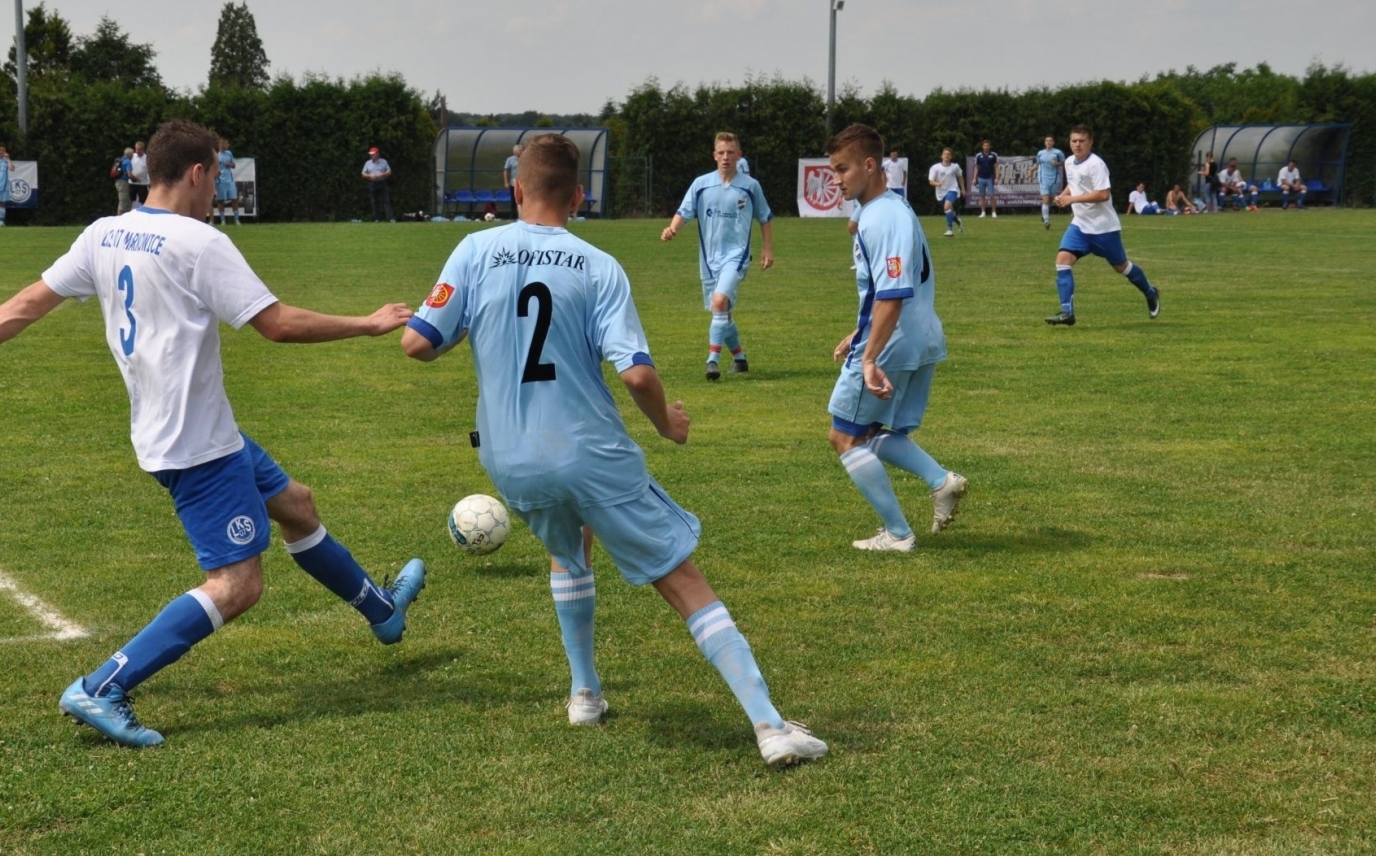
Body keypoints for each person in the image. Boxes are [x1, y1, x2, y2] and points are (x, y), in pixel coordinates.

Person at [0, 119, 424, 748]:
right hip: (195, 444)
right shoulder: (198, 242)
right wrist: (368, 324)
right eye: (218, 175)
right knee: (237, 585)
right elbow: (278, 325)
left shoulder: (105, 233)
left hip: (187, 430)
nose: (218, 191)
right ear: (199, 173)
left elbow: (26, 304)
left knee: (296, 504)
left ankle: (382, 610)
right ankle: (101, 686)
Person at [401, 132, 827, 768]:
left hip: (510, 459)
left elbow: (419, 343)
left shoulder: (472, 250)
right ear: (578, 195)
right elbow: (635, 373)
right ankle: (770, 727)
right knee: (681, 579)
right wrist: (667, 425)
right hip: (587, 450)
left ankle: (584, 693)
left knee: (568, 551)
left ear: (516, 189)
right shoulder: (598, 264)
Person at [824, 124, 967, 554]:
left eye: (842, 169)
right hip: (922, 335)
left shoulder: (882, 216)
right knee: (870, 431)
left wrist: (869, 357)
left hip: (895, 341)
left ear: (870, 165)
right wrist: (859, 331)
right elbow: (889, 290)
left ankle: (899, 534)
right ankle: (942, 482)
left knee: (845, 436)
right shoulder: (890, 208)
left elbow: (891, 294)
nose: (836, 179)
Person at [660, 132, 774, 380]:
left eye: (730, 152)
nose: (725, 157)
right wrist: (672, 229)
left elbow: (765, 217)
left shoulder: (750, 186)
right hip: (709, 259)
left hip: (737, 256)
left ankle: (712, 360)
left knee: (719, 302)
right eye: (721, 153)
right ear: (714, 156)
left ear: (739, 155)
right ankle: (740, 359)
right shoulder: (701, 184)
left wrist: (767, 249)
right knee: (722, 311)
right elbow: (684, 211)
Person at [1045, 125, 1158, 326]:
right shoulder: (1070, 162)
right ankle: (1067, 312)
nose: (1077, 145)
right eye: (1074, 141)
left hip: (1103, 228)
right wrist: (1063, 195)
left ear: (1090, 143)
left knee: (1122, 267)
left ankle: (1150, 292)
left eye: (1081, 141)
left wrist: (1072, 200)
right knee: (1062, 261)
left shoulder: (1096, 164)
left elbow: (1103, 194)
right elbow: (1074, 182)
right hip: (1080, 225)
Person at [928, 147, 964, 236]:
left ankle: (949, 229)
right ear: (941, 155)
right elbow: (931, 181)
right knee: (949, 209)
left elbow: (960, 176)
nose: (946, 156)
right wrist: (937, 183)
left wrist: (963, 188)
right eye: (945, 154)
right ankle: (957, 220)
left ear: (951, 156)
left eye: (948, 154)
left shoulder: (955, 167)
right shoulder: (935, 167)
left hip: (953, 190)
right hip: (940, 192)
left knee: (947, 207)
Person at [1035, 136, 1065, 229]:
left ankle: (1044, 214)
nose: (1048, 142)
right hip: (1043, 179)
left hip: (1054, 179)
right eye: (1047, 141)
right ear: (1044, 142)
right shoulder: (1040, 153)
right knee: (1046, 200)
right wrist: (1031, 170)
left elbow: (1064, 162)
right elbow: (1038, 163)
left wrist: (1057, 164)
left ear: (1053, 142)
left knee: (1051, 201)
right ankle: (1047, 222)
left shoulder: (1058, 152)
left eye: (1050, 141)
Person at [361, 146, 394, 222]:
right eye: (370, 154)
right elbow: (363, 174)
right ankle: (377, 218)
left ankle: (390, 218)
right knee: (374, 201)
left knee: (386, 200)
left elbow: (389, 172)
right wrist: (370, 176)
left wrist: (382, 174)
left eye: (373, 154)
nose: (371, 155)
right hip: (372, 183)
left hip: (382, 182)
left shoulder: (384, 161)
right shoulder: (368, 163)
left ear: (377, 154)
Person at [213, 138, 240, 226]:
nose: (226, 146)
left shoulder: (229, 153)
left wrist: (231, 165)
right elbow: (214, 167)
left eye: (227, 144)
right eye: (225, 144)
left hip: (230, 180)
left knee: (234, 199)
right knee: (221, 200)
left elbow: (234, 165)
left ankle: (236, 220)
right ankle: (223, 221)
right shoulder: (216, 155)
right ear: (220, 145)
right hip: (220, 181)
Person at [973, 140, 1000, 218]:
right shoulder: (979, 155)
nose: (986, 147)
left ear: (989, 146)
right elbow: (976, 167)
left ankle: (994, 212)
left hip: (990, 178)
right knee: (982, 196)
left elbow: (996, 167)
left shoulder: (994, 155)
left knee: (992, 195)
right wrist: (974, 178)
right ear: (982, 146)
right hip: (981, 178)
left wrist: (997, 177)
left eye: (987, 145)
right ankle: (983, 212)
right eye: (985, 145)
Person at [114, 145, 135, 215]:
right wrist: (136, 179)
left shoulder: (120, 160)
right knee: (124, 202)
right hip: (123, 183)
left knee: (121, 201)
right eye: (132, 154)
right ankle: (120, 218)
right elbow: (129, 174)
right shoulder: (128, 161)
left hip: (118, 182)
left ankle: (118, 217)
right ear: (130, 155)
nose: (133, 156)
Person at [128, 140, 149, 207]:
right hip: (132, 183)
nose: (137, 151)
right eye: (136, 149)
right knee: (130, 201)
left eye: (139, 150)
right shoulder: (132, 156)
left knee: (144, 201)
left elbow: (149, 171)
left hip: (143, 183)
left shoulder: (147, 158)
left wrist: (149, 182)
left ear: (143, 149)